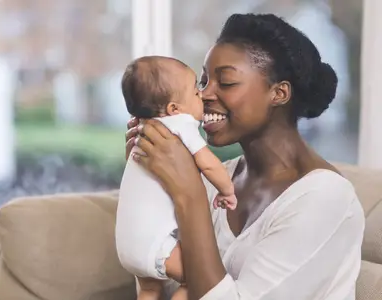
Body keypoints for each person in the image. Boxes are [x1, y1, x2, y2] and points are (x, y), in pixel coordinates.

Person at [124, 13, 365, 300]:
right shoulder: (218, 178)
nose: (204, 94)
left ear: (279, 93)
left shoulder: (325, 199)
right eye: (202, 81)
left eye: (225, 82)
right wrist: (148, 185)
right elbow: (161, 276)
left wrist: (188, 193)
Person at [116, 56, 237, 300]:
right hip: (157, 246)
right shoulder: (179, 126)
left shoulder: (144, 132)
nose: (202, 96)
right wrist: (227, 190)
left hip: (126, 247)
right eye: (195, 91)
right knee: (197, 279)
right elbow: (209, 165)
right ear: (174, 108)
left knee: (150, 289)